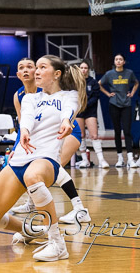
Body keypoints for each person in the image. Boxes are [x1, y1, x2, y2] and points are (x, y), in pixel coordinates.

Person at [0, 55, 86, 262]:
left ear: (57, 74)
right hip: (19, 159)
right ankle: (30, 231)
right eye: (36, 67)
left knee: (33, 176)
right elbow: (26, 117)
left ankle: (57, 244)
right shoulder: (29, 98)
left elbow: (69, 110)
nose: (36, 71)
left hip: (45, 158)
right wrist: (25, 130)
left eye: (42, 67)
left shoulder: (69, 95)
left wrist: (66, 120)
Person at [9, 57, 92, 226]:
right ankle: (32, 203)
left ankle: (80, 209)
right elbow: (24, 126)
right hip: (42, 135)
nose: (26, 70)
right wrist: (17, 147)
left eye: (30, 67)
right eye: (21, 67)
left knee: (53, 166)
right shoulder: (19, 96)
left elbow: (67, 107)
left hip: (66, 130)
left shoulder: (45, 87)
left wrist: (66, 120)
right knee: (32, 167)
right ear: (17, 74)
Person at [98, 53, 138, 167]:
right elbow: (99, 84)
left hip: (126, 104)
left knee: (127, 131)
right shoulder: (109, 74)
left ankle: (130, 158)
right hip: (114, 104)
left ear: (124, 62)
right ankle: (120, 158)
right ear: (114, 62)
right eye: (116, 59)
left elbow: (136, 83)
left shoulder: (129, 73)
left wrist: (132, 93)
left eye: (121, 59)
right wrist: (107, 94)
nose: (118, 61)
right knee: (117, 131)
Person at [74, 60, 108, 168]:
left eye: (85, 68)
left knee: (94, 135)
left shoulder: (93, 82)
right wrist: (78, 106)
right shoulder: (75, 82)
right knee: (81, 135)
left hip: (90, 111)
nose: (83, 70)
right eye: (82, 68)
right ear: (79, 69)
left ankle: (101, 160)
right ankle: (85, 160)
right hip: (79, 112)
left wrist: (84, 105)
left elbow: (95, 97)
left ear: (88, 70)